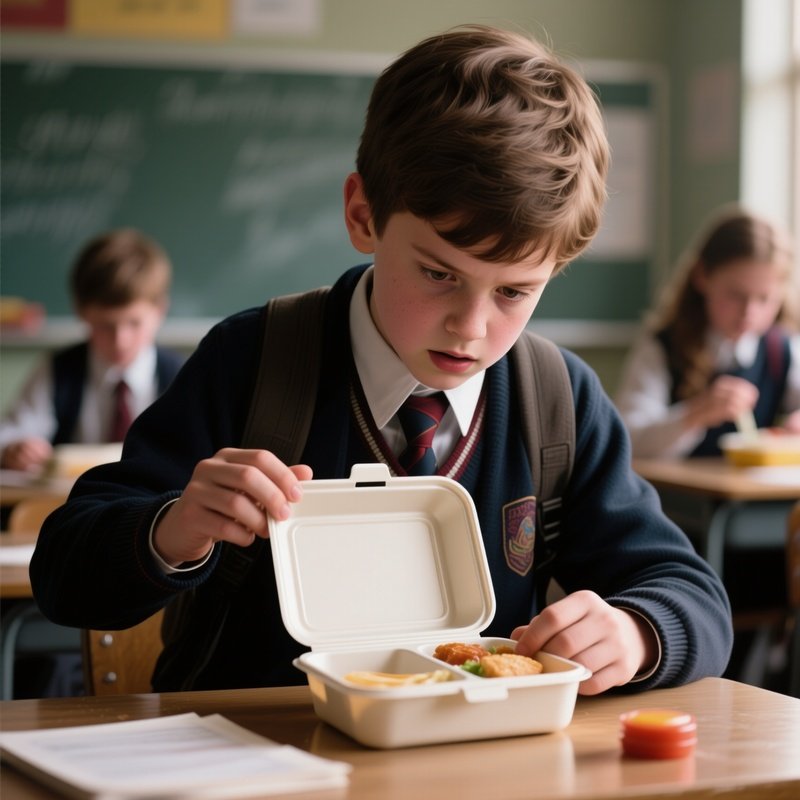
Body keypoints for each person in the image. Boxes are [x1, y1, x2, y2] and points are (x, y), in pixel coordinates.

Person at [30, 25, 732, 697]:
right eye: (438, 274)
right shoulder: (253, 362)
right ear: (363, 216)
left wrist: (637, 633)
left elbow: (693, 597)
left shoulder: (558, 400)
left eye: (515, 292)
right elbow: (64, 576)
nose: (471, 327)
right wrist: (173, 529)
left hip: (476, 755)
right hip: (253, 748)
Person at [614, 208, 799, 459]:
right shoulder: (663, 348)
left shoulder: (783, 350)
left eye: (764, 298)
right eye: (736, 295)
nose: (749, 312)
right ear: (702, 276)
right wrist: (695, 414)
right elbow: (628, 442)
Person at [0, 228, 185, 472]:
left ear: (159, 310)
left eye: (134, 323)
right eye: (105, 325)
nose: (120, 340)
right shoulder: (59, 370)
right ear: (81, 311)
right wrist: (14, 449)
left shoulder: (183, 376)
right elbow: (12, 434)